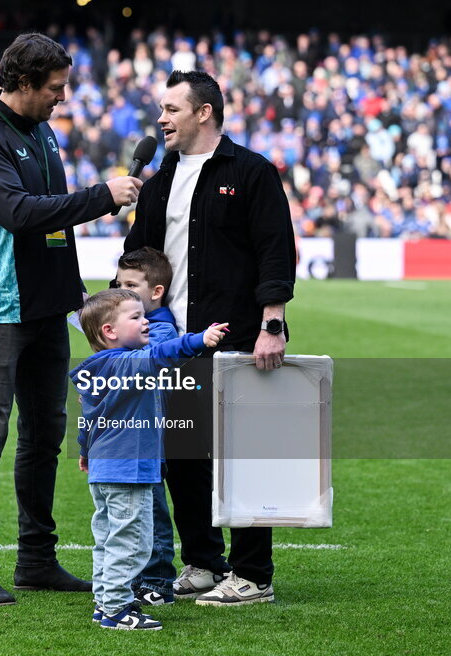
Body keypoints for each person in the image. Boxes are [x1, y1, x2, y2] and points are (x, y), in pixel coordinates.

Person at [0, 32, 143, 605]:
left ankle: (36, 558)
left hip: (46, 308)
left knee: (45, 437)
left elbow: (53, 227)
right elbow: (17, 213)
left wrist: (73, 294)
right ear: (24, 84)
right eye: (55, 87)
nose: (63, 96)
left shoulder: (42, 132)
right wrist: (101, 196)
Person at [124, 70, 296, 606]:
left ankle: (253, 575)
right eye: (161, 109)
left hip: (240, 338)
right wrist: (125, 313)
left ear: (204, 112)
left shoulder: (250, 172)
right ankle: (202, 560)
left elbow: (275, 249)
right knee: (184, 457)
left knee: (243, 457)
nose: (162, 119)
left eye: (172, 109)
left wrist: (273, 323)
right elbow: (140, 254)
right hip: (176, 342)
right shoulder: (159, 180)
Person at [72, 288, 227, 629]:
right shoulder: (126, 364)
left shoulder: (100, 368)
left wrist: (85, 452)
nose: (147, 322)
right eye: (136, 317)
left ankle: (105, 601)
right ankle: (116, 609)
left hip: (104, 468)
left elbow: (88, 421)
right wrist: (199, 340)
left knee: (109, 539)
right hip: (129, 469)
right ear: (109, 332)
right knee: (133, 543)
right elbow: (162, 355)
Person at [112, 247, 177, 605]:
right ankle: (134, 577)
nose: (122, 290)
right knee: (131, 508)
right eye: (118, 283)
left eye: (131, 285)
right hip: (126, 434)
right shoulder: (136, 323)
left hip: (149, 435)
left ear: (156, 292)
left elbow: (147, 363)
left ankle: (158, 580)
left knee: (151, 507)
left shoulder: (160, 329)